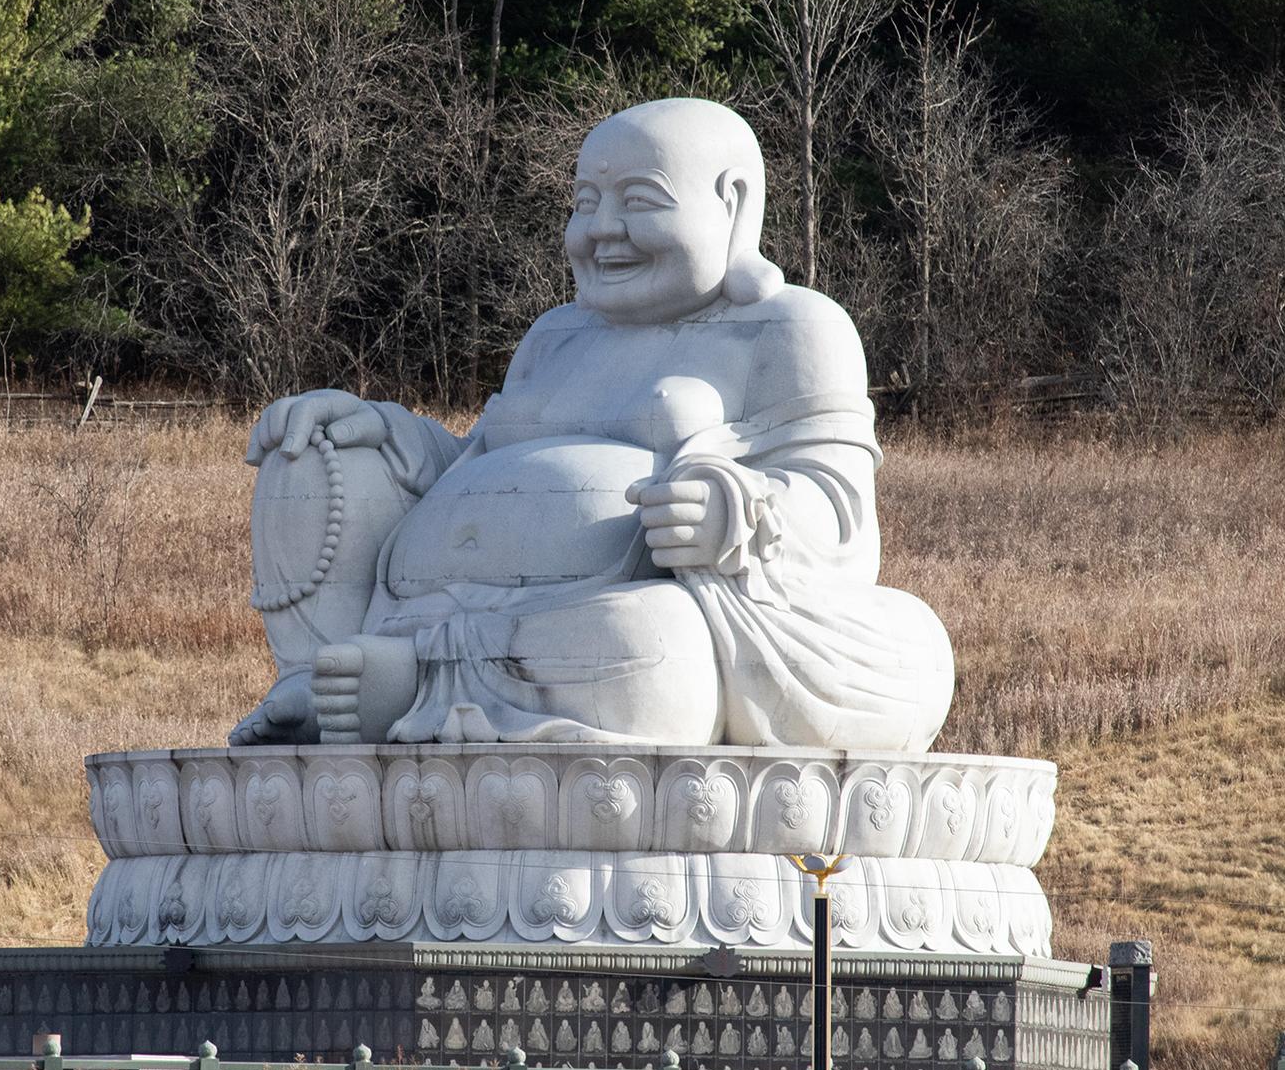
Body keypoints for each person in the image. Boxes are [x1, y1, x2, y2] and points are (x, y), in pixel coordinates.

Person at [232, 98, 952, 750]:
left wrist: (730, 516)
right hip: (419, 603)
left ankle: (411, 682)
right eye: (585, 203)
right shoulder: (557, 336)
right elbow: (475, 462)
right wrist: (380, 430)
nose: (602, 231)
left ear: (732, 202)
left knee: (669, 647)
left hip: (624, 616)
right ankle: (319, 671)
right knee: (310, 456)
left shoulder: (790, 329)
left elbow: (841, 519)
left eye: (639, 202)